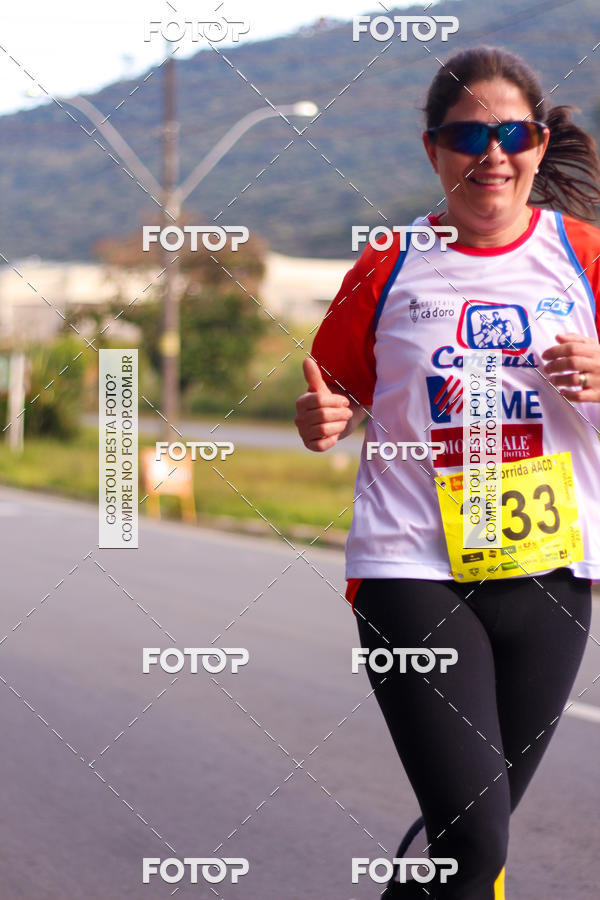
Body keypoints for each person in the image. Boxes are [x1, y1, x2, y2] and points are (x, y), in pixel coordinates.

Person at [295, 46, 600, 899]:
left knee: (470, 842)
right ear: (433, 149)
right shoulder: (385, 267)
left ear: (538, 144)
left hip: (549, 574)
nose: (491, 153)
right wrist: (320, 420)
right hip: (411, 571)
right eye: (469, 135)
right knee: (473, 838)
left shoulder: (586, 259)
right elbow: (332, 399)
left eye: (511, 132)